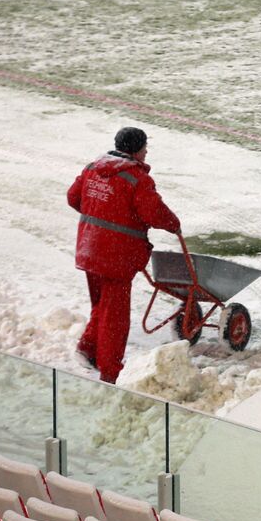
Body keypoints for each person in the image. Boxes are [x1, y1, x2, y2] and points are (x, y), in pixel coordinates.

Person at [67, 127, 181, 384]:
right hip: (116, 257)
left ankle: (87, 347)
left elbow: (73, 197)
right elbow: (153, 213)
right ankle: (110, 370)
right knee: (115, 316)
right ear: (137, 150)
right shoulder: (136, 178)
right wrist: (173, 224)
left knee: (101, 304)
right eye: (145, 148)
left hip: (89, 250)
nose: (147, 152)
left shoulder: (92, 168)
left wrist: (101, 214)